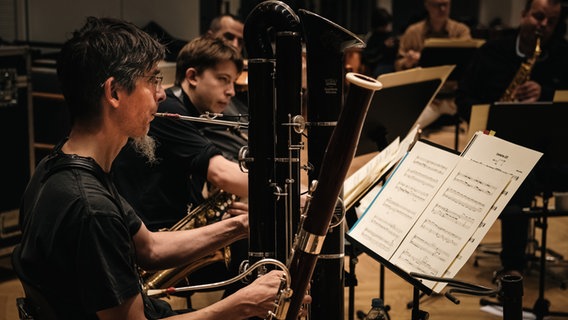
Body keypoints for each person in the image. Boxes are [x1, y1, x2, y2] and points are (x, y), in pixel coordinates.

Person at [14, 16, 305, 319]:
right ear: (114, 93)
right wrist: (240, 304)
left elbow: (150, 247)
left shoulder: (57, 166)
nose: (162, 93)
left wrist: (243, 225)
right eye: (152, 79)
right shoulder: (91, 209)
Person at [457, 0, 568, 280]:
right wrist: (492, 109)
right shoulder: (491, 53)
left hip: (550, 151)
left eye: (551, 21)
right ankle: (513, 268)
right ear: (523, 15)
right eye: (538, 16)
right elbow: (463, 99)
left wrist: (546, 93)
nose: (543, 25)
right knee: (516, 181)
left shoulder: (562, 55)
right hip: (500, 150)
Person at [395, 0, 471, 130]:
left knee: (480, 129)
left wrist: (423, 57)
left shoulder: (461, 30)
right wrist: (408, 62)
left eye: (445, 4)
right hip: (427, 98)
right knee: (404, 127)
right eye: (437, 5)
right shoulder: (413, 32)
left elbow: (469, 64)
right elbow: (398, 64)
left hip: (456, 97)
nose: (442, 9)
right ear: (427, 5)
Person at [361, 7, 398, 78]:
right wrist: (384, 46)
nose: (387, 27)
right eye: (384, 25)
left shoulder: (390, 34)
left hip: (392, 63)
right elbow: (369, 55)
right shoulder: (372, 37)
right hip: (379, 66)